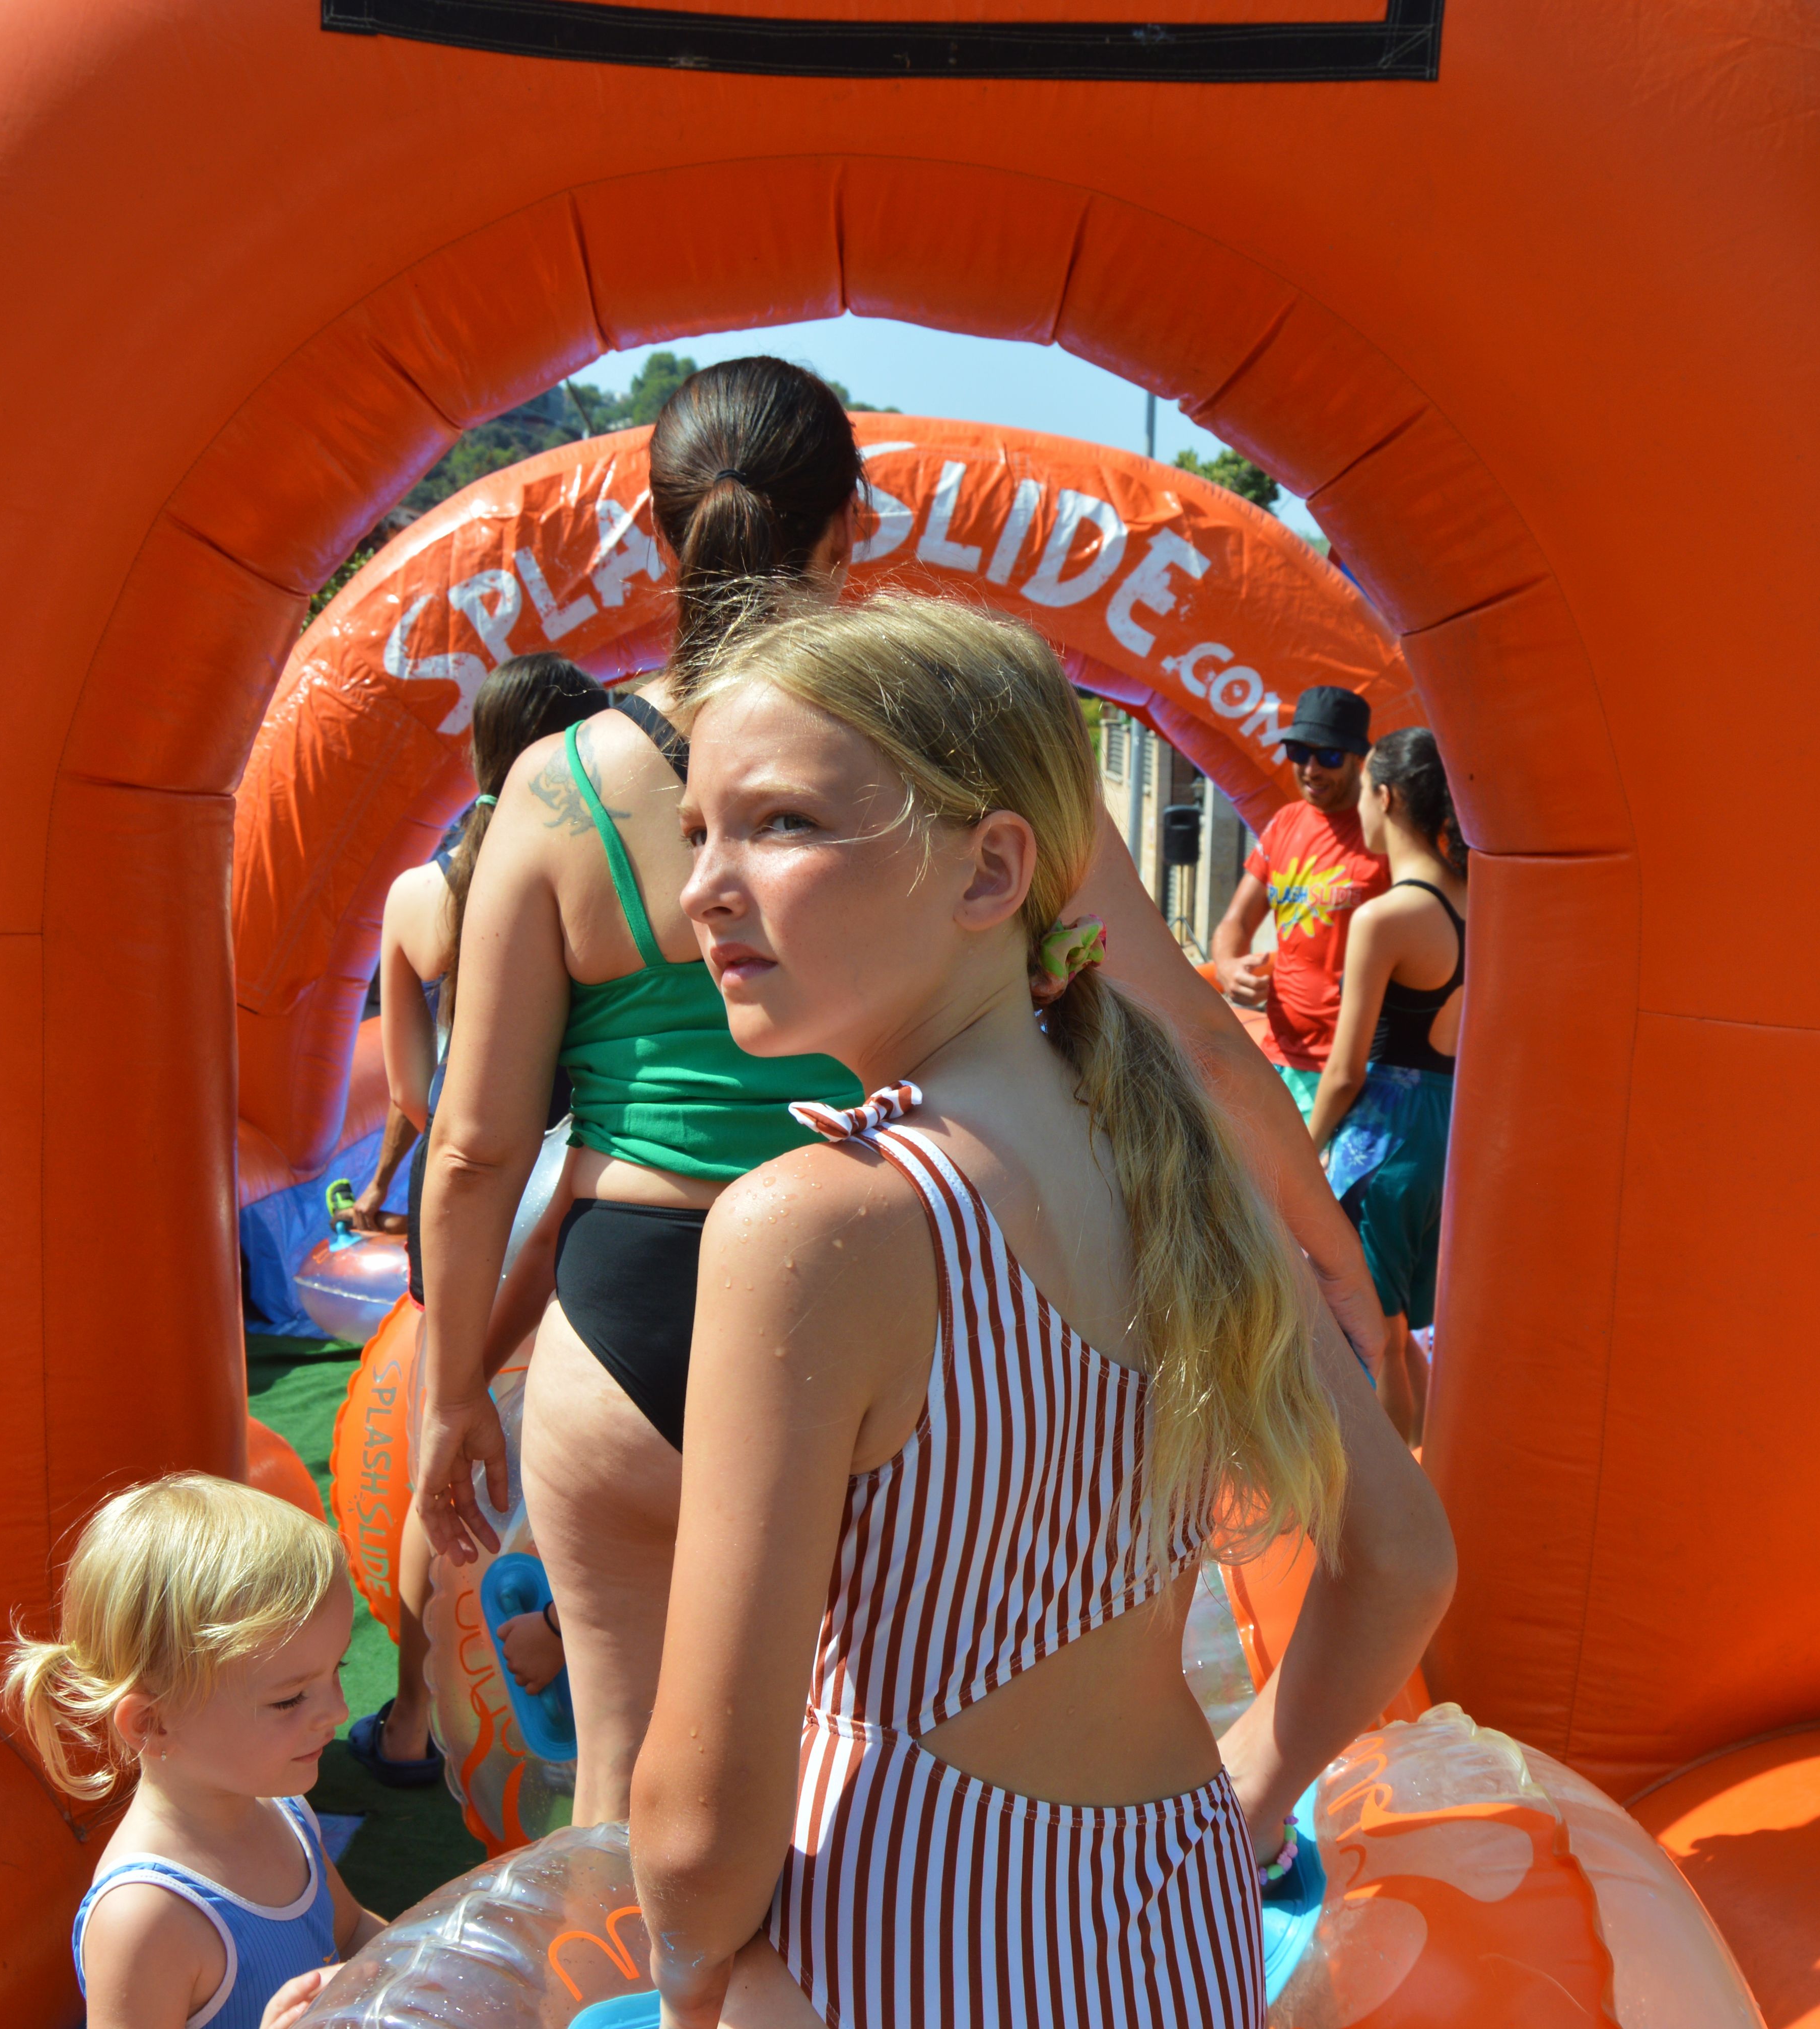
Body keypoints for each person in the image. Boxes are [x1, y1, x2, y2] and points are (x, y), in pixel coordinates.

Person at [417, 358, 1414, 1825]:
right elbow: (1194, 1038)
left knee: (633, 1803)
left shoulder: (565, 786)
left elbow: (478, 1143)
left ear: (660, 524)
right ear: (853, 523)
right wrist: (1331, 1256)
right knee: (937, 1767)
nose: (720, 890)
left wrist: (450, 1395)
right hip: (928, 1296)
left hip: (632, 1309)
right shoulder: (948, 742)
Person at [631, 596, 1453, 2028]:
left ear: (991, 868)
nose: (703, 886)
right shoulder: (1194, 1180)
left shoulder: (818, 1229)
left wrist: (701, 1981)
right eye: (696, 830)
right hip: (1175, 1919)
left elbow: (702, 1821)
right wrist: (1251, 1791)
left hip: (887, 1938)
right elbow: (1402, 1557)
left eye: (778, 825)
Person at [342, 651, 604, 1789]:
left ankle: (408, 1721)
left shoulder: (419, 894)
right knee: (590, 1456)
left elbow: (415, 1093)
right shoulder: (599, 863)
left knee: (441, 1472)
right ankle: (578, 1703)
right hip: (577, 1192)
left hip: (466, 1206)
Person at [4, 1473, 384, 2029]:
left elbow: (349, 1931)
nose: (337, 1711)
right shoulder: (147, 1917)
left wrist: (417, 1960)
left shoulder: (285, 1812)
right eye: (290, 1699)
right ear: (154, 1723)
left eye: (338, 1670)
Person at [1303, 726, 1467, 1446]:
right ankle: (1437, 1475)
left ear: (1387, 795)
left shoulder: (1386, 917)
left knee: (1376, 1337)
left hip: (1386, 1140)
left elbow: (1344, 1072)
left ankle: (1399, 1497)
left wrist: (1304, 1148)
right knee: (1403, 1333)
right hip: (1451, 1130)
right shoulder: (1483, 902)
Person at [1210, 686, 1389, 1118]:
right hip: (1280, 1054)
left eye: (1328, 757)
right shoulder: (1285, 822)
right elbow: (1235, 920)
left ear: (1357, 759)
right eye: (1298, 751)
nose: (1311, 769)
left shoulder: (1385, 834)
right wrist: (1229, 967)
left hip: (1356, 1066)